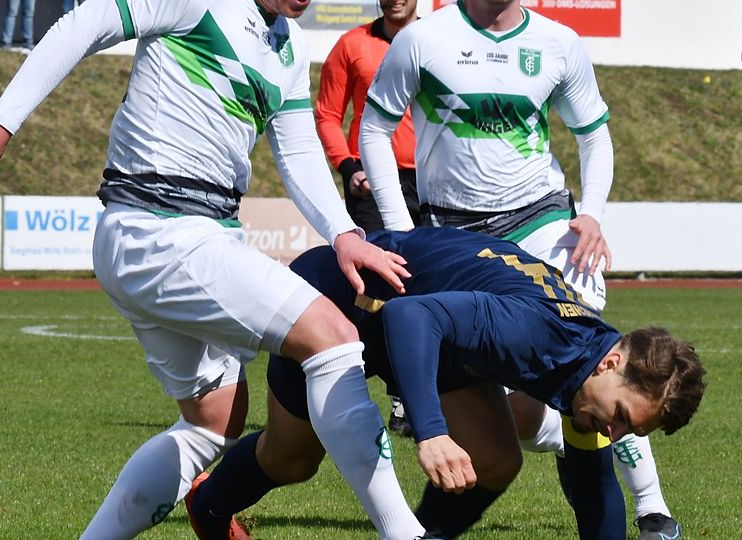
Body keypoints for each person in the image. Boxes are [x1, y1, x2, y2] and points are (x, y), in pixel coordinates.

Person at [0, 0, 430, 538]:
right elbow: (86, 22)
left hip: (180, 235)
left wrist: (344, 234)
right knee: (334, 338)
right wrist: (2, 120)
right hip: (160, 230)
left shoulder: (289, 43)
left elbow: (299, 149)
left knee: (213, 420)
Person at [358, 0, 682, 537]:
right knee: (526, 423)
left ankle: (651, 506)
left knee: (601, 366)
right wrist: (400, 232)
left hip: (541, 221)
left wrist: (592, 214)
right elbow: (373, 129)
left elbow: (593, 134)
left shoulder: (558, 42)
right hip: (452, 230)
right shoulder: (422, 39)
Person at [186, 226, 707, 539]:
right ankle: (208, 505)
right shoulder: (538, 333)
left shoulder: (590, 367)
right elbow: (410, 316)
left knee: (496, 460)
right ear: (612, 364)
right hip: (346, 300)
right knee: (292, 460)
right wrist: (431, 432)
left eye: (628, 429)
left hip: (436, 342)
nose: (615, 433)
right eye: (621, 418)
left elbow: (595, 490)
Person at [315, 0, 421, 438]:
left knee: (433, 287)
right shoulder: (351, 44)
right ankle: (391, 395)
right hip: (372, 184)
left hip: (433, 185)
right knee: (380, 292)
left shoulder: (438, 41)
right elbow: (327, 114)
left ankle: (437, 394)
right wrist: (347, 166)